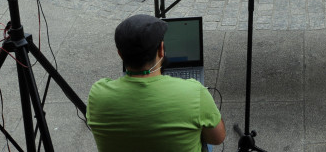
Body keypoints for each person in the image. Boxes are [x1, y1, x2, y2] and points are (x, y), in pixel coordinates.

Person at [86, 15, 226, 151]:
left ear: (120, 54)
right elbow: (217, 138)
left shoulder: (97, 95)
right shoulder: (195, 92)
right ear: (161, 49)